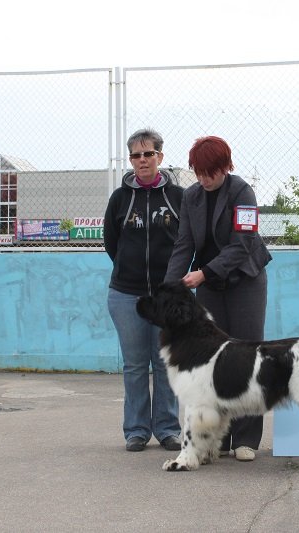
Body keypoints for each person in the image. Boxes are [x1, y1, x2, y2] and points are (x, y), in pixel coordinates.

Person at [164, 135, 272, 462]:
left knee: (248, 357)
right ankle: (217, 439)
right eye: (198, 172)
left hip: (245, 281)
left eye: (210, 172)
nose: (204, 179)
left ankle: (247, 439)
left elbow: (243, 244)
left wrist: (203, 274)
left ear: (225, 167)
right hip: (209, 285)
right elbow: (184, 244)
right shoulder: (191, 197)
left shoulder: (242, 192)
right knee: (213, 361)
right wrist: (170, 288)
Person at [103, 128, 184, 452]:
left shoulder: (177, 197)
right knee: (135, 365)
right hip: (127, 296)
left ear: (160, 157)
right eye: (136, 155)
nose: (142, 160)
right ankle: (136, 430)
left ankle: (167, 429)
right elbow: (112, 243)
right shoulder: (120, 199)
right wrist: (129, 272)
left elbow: (186, 242)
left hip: (167, 298)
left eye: (148, 154)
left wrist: (172, 281)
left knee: (164, 363)